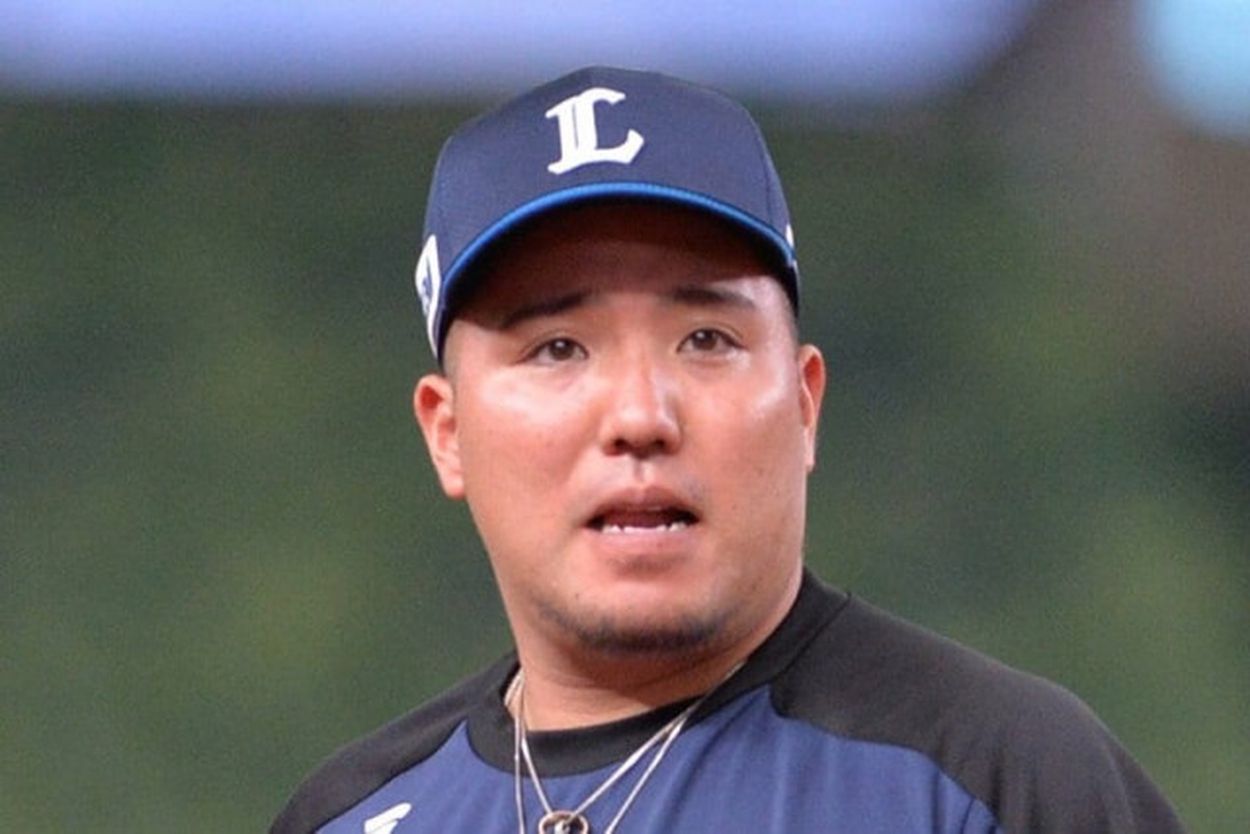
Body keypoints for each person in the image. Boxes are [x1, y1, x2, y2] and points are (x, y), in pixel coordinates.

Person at [271, 66, 1185, 834]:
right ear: (448, 433)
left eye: (706, 339)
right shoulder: (351, 817)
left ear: (804, 402)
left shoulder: (1000, 780)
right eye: (557, 348)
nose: (640, 415)